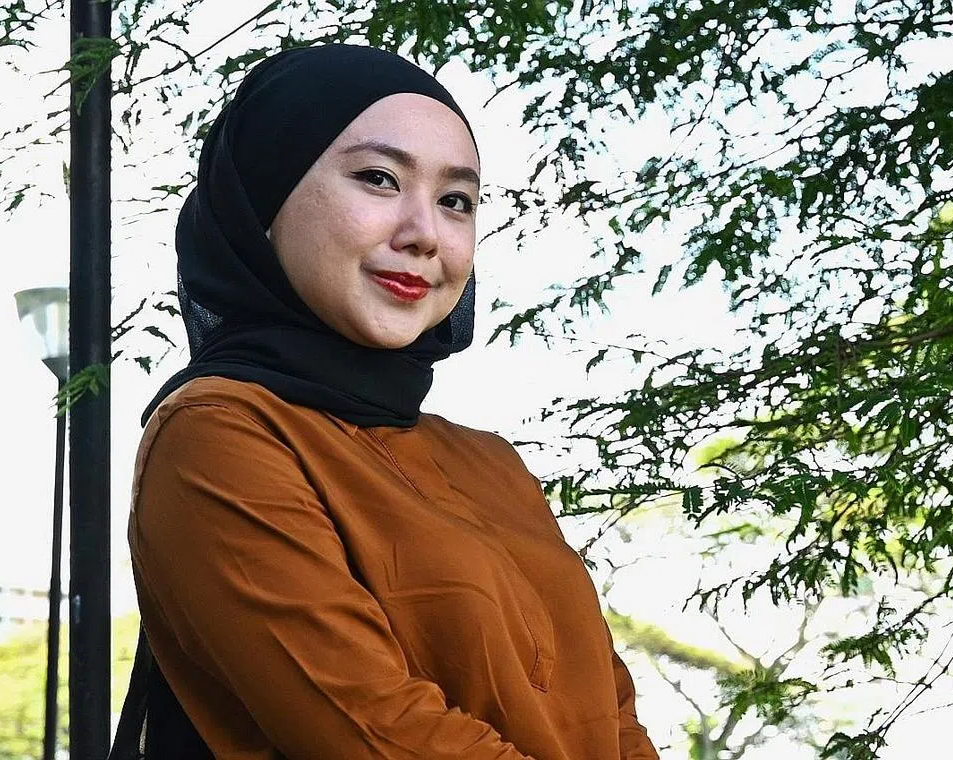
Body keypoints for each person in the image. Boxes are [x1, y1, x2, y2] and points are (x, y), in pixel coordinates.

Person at [109, 44, 658, 760]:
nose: (424, 234)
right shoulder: (218, 433)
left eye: (455, 201)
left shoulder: (492, 463)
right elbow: (379, 733)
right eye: (378, 179)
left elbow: (613, 717)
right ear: (263, 199)